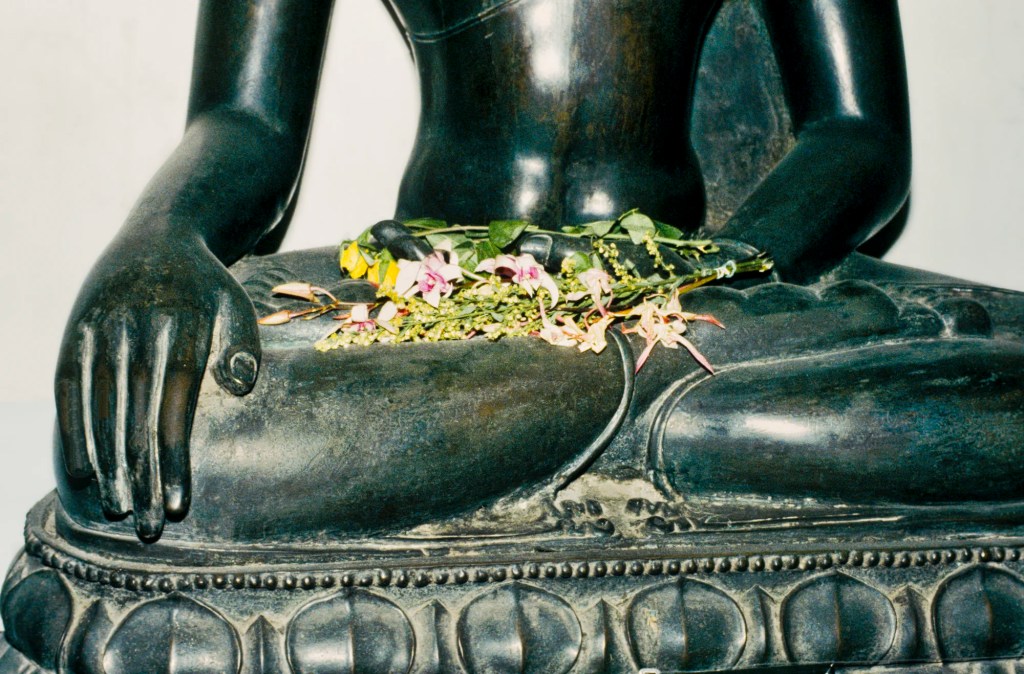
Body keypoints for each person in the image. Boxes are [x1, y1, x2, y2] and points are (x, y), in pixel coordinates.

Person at [53, 0, 1022, 542]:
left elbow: (857, 133)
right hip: (437, 295)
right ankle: (673, 423)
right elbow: (246, 121)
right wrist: (157, 240)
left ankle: (611, 411)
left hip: (696, 295)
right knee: (179, 447)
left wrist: (714, 266)